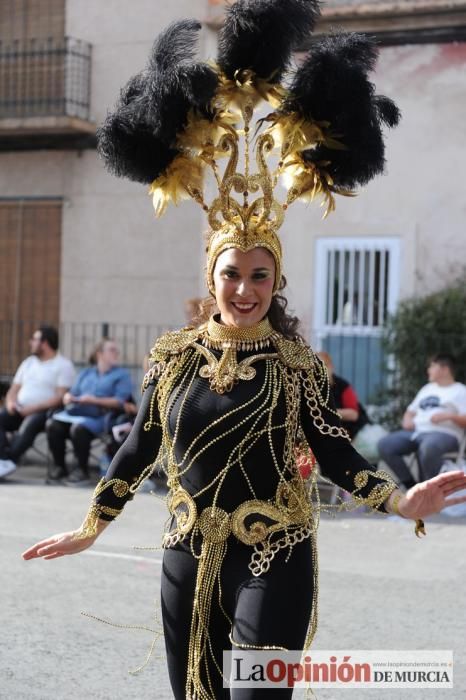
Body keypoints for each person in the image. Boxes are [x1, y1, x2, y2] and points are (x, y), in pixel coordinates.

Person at [22, 4, 466, 699]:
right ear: (212, 275)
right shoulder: (171, 359)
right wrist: (90, 526)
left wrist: (400, 501)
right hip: (187, 556)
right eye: (232, 273)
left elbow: (336, 453)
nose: (245, 288)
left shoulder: (295, 367)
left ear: (275, 280)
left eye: (260, 275)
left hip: (276, 553)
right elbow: (139, 449)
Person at [45, 338, 132, 486]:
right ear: (100, 354)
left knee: (79, 429)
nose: (117, 353)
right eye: (112, 350)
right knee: (52, 424)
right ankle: (60, 467)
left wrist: (93, 400)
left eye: (117, 350)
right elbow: (72, 393)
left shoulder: (122, 375)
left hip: (102, 416)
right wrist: (68, 397)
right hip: (76, 412)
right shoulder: (86, 373)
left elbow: (120, 401)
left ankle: (82, 471)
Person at [378, 353, 466, 489]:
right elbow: (410, 411)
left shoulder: (460, 391)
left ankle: (430, 489)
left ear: (444, 369)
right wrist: (407, 420)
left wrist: (449, 416)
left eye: (432, 366)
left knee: (428, 446)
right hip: (417, 432)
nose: (428, 370)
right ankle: (411, 486)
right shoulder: (427, 389)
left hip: (445, 434)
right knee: (385, 444)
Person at [0, 325, 75, 479]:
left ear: (45, 343)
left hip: (44, 412)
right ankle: (3, 459)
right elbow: (13, 389)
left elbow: (60, 397)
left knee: (30, 423)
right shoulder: (28, 362)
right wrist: (10, 404)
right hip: (18, 409)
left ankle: (9, 459)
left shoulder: (63, 365)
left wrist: (32, 408)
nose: (30, 343)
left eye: (34, 339)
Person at [316, 351, 370, 440]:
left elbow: (354, 414)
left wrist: (327, 412)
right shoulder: (310, 387)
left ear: (331, 367)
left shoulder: (343, 386)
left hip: (347, 429)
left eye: (324, 365)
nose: (320, 370)